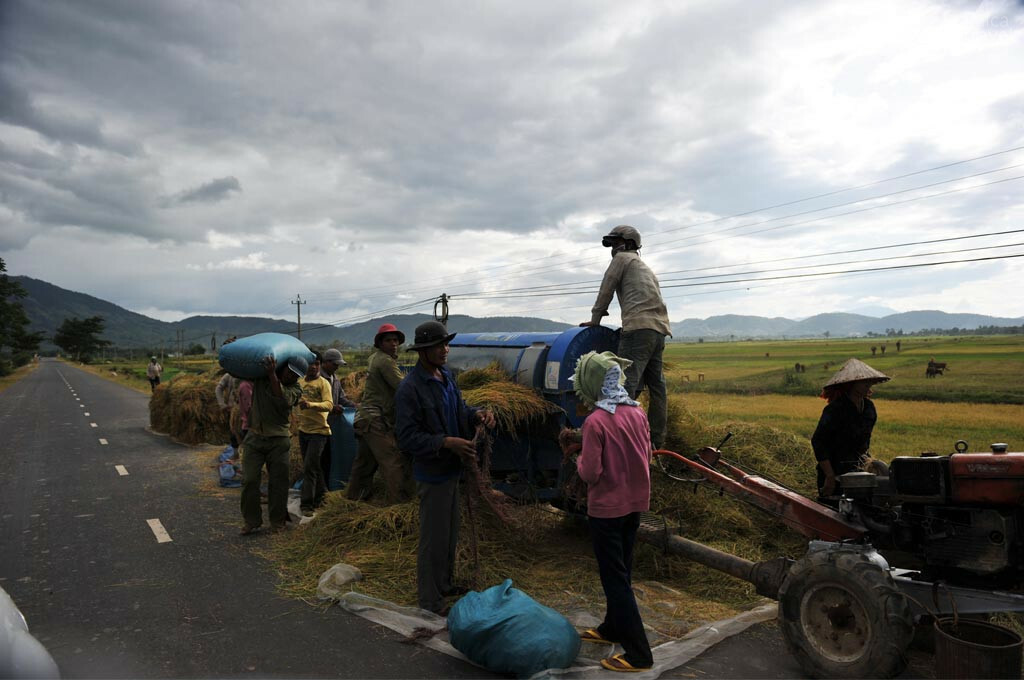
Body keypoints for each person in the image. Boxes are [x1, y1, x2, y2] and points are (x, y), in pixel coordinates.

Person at [395, 321, 495, 615]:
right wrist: (446, 442)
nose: (445, 350)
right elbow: (406, 437)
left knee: (450, 535)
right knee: (433, 539)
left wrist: (477, 415)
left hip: (453, 471)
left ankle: (445, 584)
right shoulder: (409, 388)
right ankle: (430, 600)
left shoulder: (447, 377)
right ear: (423, 351)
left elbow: (460, 410)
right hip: (433, 474)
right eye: (439, 346)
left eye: (446, 344)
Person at [571, 351, 654, 672]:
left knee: (614, 578)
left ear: (591, 383)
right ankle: (612, 627)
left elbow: (590, 473)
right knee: (623, 570)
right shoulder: (638, 412)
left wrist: (578, 459)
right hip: (635, 504)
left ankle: (639, 653)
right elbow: (647, 454)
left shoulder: (595, 422)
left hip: (606, 509)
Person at [581, 225, 672, 450]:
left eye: (615, 243)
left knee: (623, 385)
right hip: (658, 330)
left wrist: (595, 319)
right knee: (657, 386)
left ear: (628, 244)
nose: (613, 248)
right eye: (611, 245)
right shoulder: (645, 268)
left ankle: (623, 442)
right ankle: (656, 442)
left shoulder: (622, 259)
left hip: (637, 328)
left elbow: (607, 288)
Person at [348, 323, 414, 504]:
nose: (393, 344)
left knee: (364, 464)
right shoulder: (385, 361)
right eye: (388, 340)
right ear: (380, 343)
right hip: (375, 419)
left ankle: (353, 501)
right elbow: (403, 388)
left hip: (364, 418)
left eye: (395, 340)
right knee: (393, 460)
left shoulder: (374, 358)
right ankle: (399, 505)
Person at [240, 355, 305, 535]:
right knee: (249, 480)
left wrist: (272, 375)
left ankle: (277, 522)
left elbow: (282, 397)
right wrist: (229, 348)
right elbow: (239, 370)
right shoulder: (261, 377)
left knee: (278, 483)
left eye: (296, 375)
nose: (291, 377)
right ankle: (251, 520)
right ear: (282, 367)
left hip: (279, 441)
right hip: (255, 438)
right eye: (289, 372)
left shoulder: (296, 389)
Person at [811, 358, 890, 497]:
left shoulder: (869, 408)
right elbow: (818, 442)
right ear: (851, 384)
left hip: (859, 471)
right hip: (835, 471)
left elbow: (865, 441)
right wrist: (830, 477)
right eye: (863, 381)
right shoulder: (835, 409)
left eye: (869, 381)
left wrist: (869, 464)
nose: (868, 384)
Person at [297, 351, 333, 516]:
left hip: (319, 432)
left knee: (309, 468)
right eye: (310, 363)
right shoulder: (299, 382)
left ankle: (306, 504)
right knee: (314, 467)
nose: (313, 367)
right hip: (303, 431)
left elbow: (329, 405)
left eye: (317, 364)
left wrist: (311, 405)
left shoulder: (323, 383)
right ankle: (323, 497)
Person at [320, 348, 357, 488]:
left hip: (332, 425)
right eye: (334, 364)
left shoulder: (335, 379)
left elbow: (341, 398)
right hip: (319, 425)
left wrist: (355, 406)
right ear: (325, 362)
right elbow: (314, 402)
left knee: (330, 457)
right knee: (322, 459)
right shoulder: (318, 379)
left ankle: (329, 486)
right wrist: (332, 408)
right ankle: (322, 490)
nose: (337, 367)